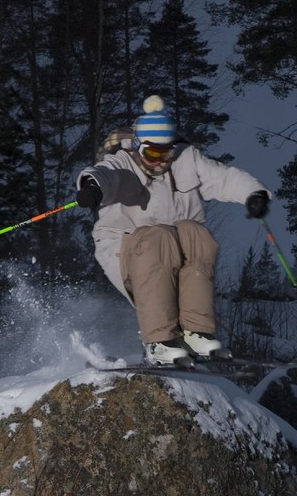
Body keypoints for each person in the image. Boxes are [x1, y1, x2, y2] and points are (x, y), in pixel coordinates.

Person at [76, 95, 271, 365]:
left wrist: (253, 194)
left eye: (166, 152)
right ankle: (158, 341)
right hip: (127, 249)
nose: (160, 160)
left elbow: (223, 177)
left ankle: (195, 332)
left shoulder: (187, 159)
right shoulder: (123, 163)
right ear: (138, 148)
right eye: (153, 153)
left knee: (198, 235)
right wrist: (93, 186)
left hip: (173, 251)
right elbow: (105, 173)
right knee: (160, 236)